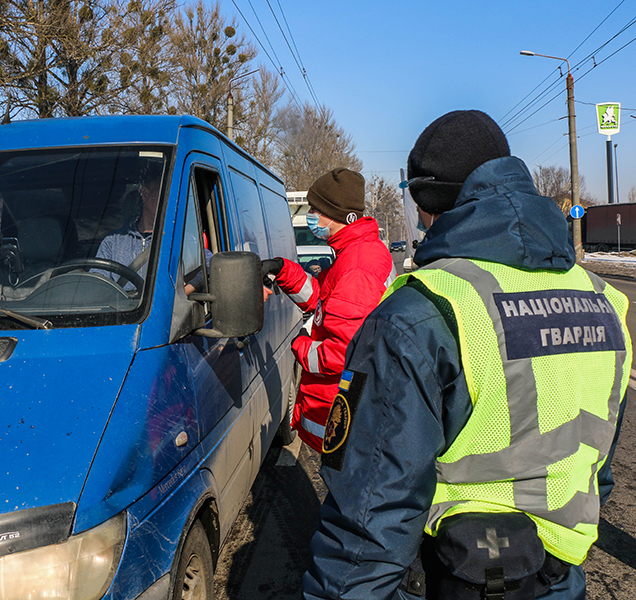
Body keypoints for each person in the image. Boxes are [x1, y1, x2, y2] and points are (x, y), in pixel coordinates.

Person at [303, 110, 632, 600]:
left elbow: (372, 516)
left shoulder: (421, 311)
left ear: (430, 203)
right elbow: (597, 468)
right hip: (560, 578)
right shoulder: (606, 302)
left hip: (446, 579)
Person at [261, 167, 395, 453]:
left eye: (315, 210)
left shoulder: (358, 265)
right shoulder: (353, 253)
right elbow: (321, 297)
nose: (311, 216)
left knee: (345, 493)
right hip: (342, 410)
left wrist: (299, 346)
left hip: (346, 419)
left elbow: (342, 351)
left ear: (334, 214)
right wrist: (282, 270)